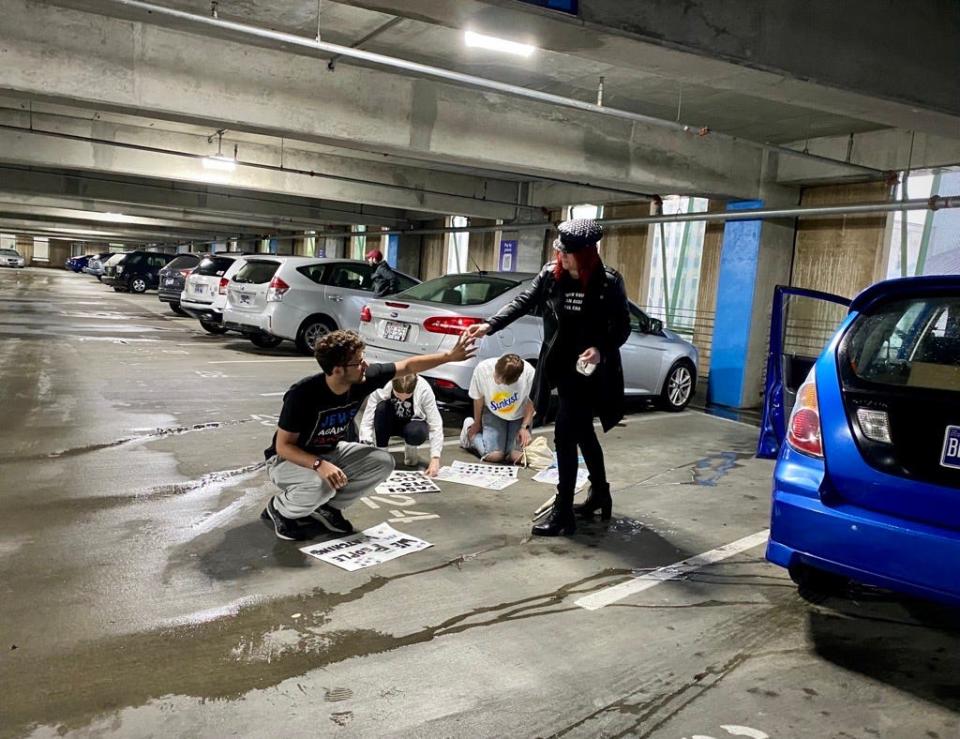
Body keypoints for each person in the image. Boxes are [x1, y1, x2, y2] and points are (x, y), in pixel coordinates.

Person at [465, 218, 630, 537]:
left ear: (587, 254)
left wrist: (599, 348)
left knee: (566, 436)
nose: (562, 257)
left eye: (569, 253)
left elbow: (622, 327)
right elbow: (523, 301)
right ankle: (600, 494)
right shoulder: (550, 276)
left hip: (590, 373)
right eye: (560, 252)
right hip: (561, 369)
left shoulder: (608, 282)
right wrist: (489, 325)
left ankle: (564, 513)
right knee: (582, 434)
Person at [261, 329, 475, 541]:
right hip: (286, 461)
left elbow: (408, 366)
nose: (365, 365)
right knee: (321, 485)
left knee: (382, 462)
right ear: (337, 370)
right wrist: (319, 465)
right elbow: (284, 446)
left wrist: (449, 356)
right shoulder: (303, 395)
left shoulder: (362, 378)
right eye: (358, 362)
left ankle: (328, 508)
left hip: (330, 451)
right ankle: (279, 509)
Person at [358, 373, 444, 476]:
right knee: (381, 408)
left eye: (407, 397)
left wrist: (435, 458)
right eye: (399, 396)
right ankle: (382, 454)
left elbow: (435, 423)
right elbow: (367, 419)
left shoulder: (424, 389)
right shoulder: (381, 387)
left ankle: (411, 449)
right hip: (389, 423)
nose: (402, 400)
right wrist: (367, 447)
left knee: (416, 432)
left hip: (412, 424)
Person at [460, 353, 536, 464]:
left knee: (516, 457)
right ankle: (469, 433)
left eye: (502, 381)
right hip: (493, 412)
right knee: (495, 455)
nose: (497, 380)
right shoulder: (483, 369)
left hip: (519, 415)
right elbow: (478, 398)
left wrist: (525, 427)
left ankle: (507, 446)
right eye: (496, 375)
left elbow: (532, 402)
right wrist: (476, 423)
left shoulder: (529, 374)